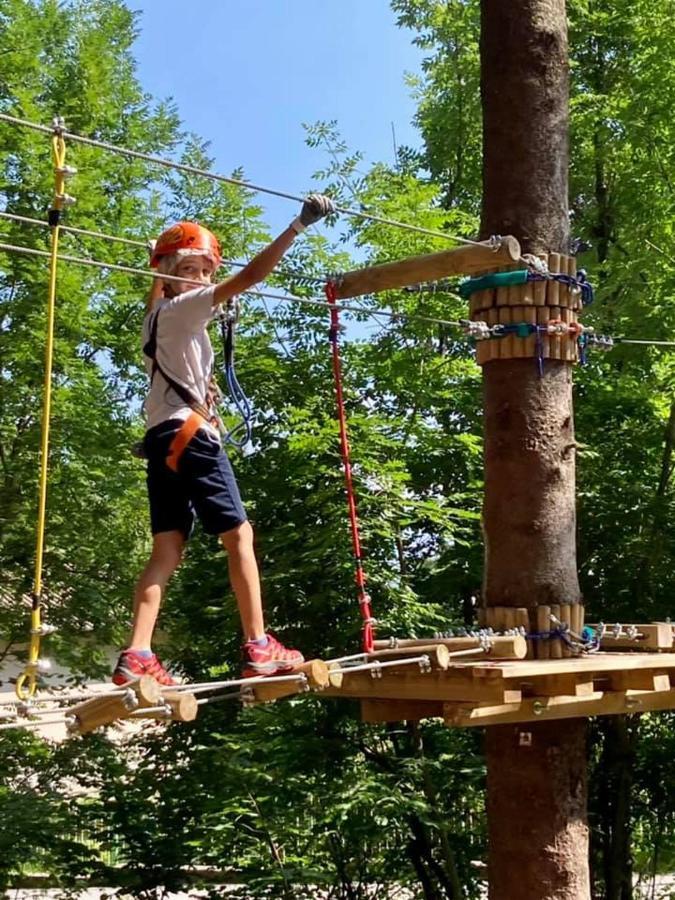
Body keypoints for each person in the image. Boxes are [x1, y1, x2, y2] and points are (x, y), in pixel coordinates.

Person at [112, 194, 335, 686]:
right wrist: (297, 226)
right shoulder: (185, 308)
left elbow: (159, 293)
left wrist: (160, 263)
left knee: (166, 549)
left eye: (205, 270)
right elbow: (251, 278)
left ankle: (138, 653)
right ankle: (259, 644)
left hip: (161, 439)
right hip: (192, 436)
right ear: (172, 276)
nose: (202, 280)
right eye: (190, 270)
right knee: (239, 536)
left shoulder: (155, 319)